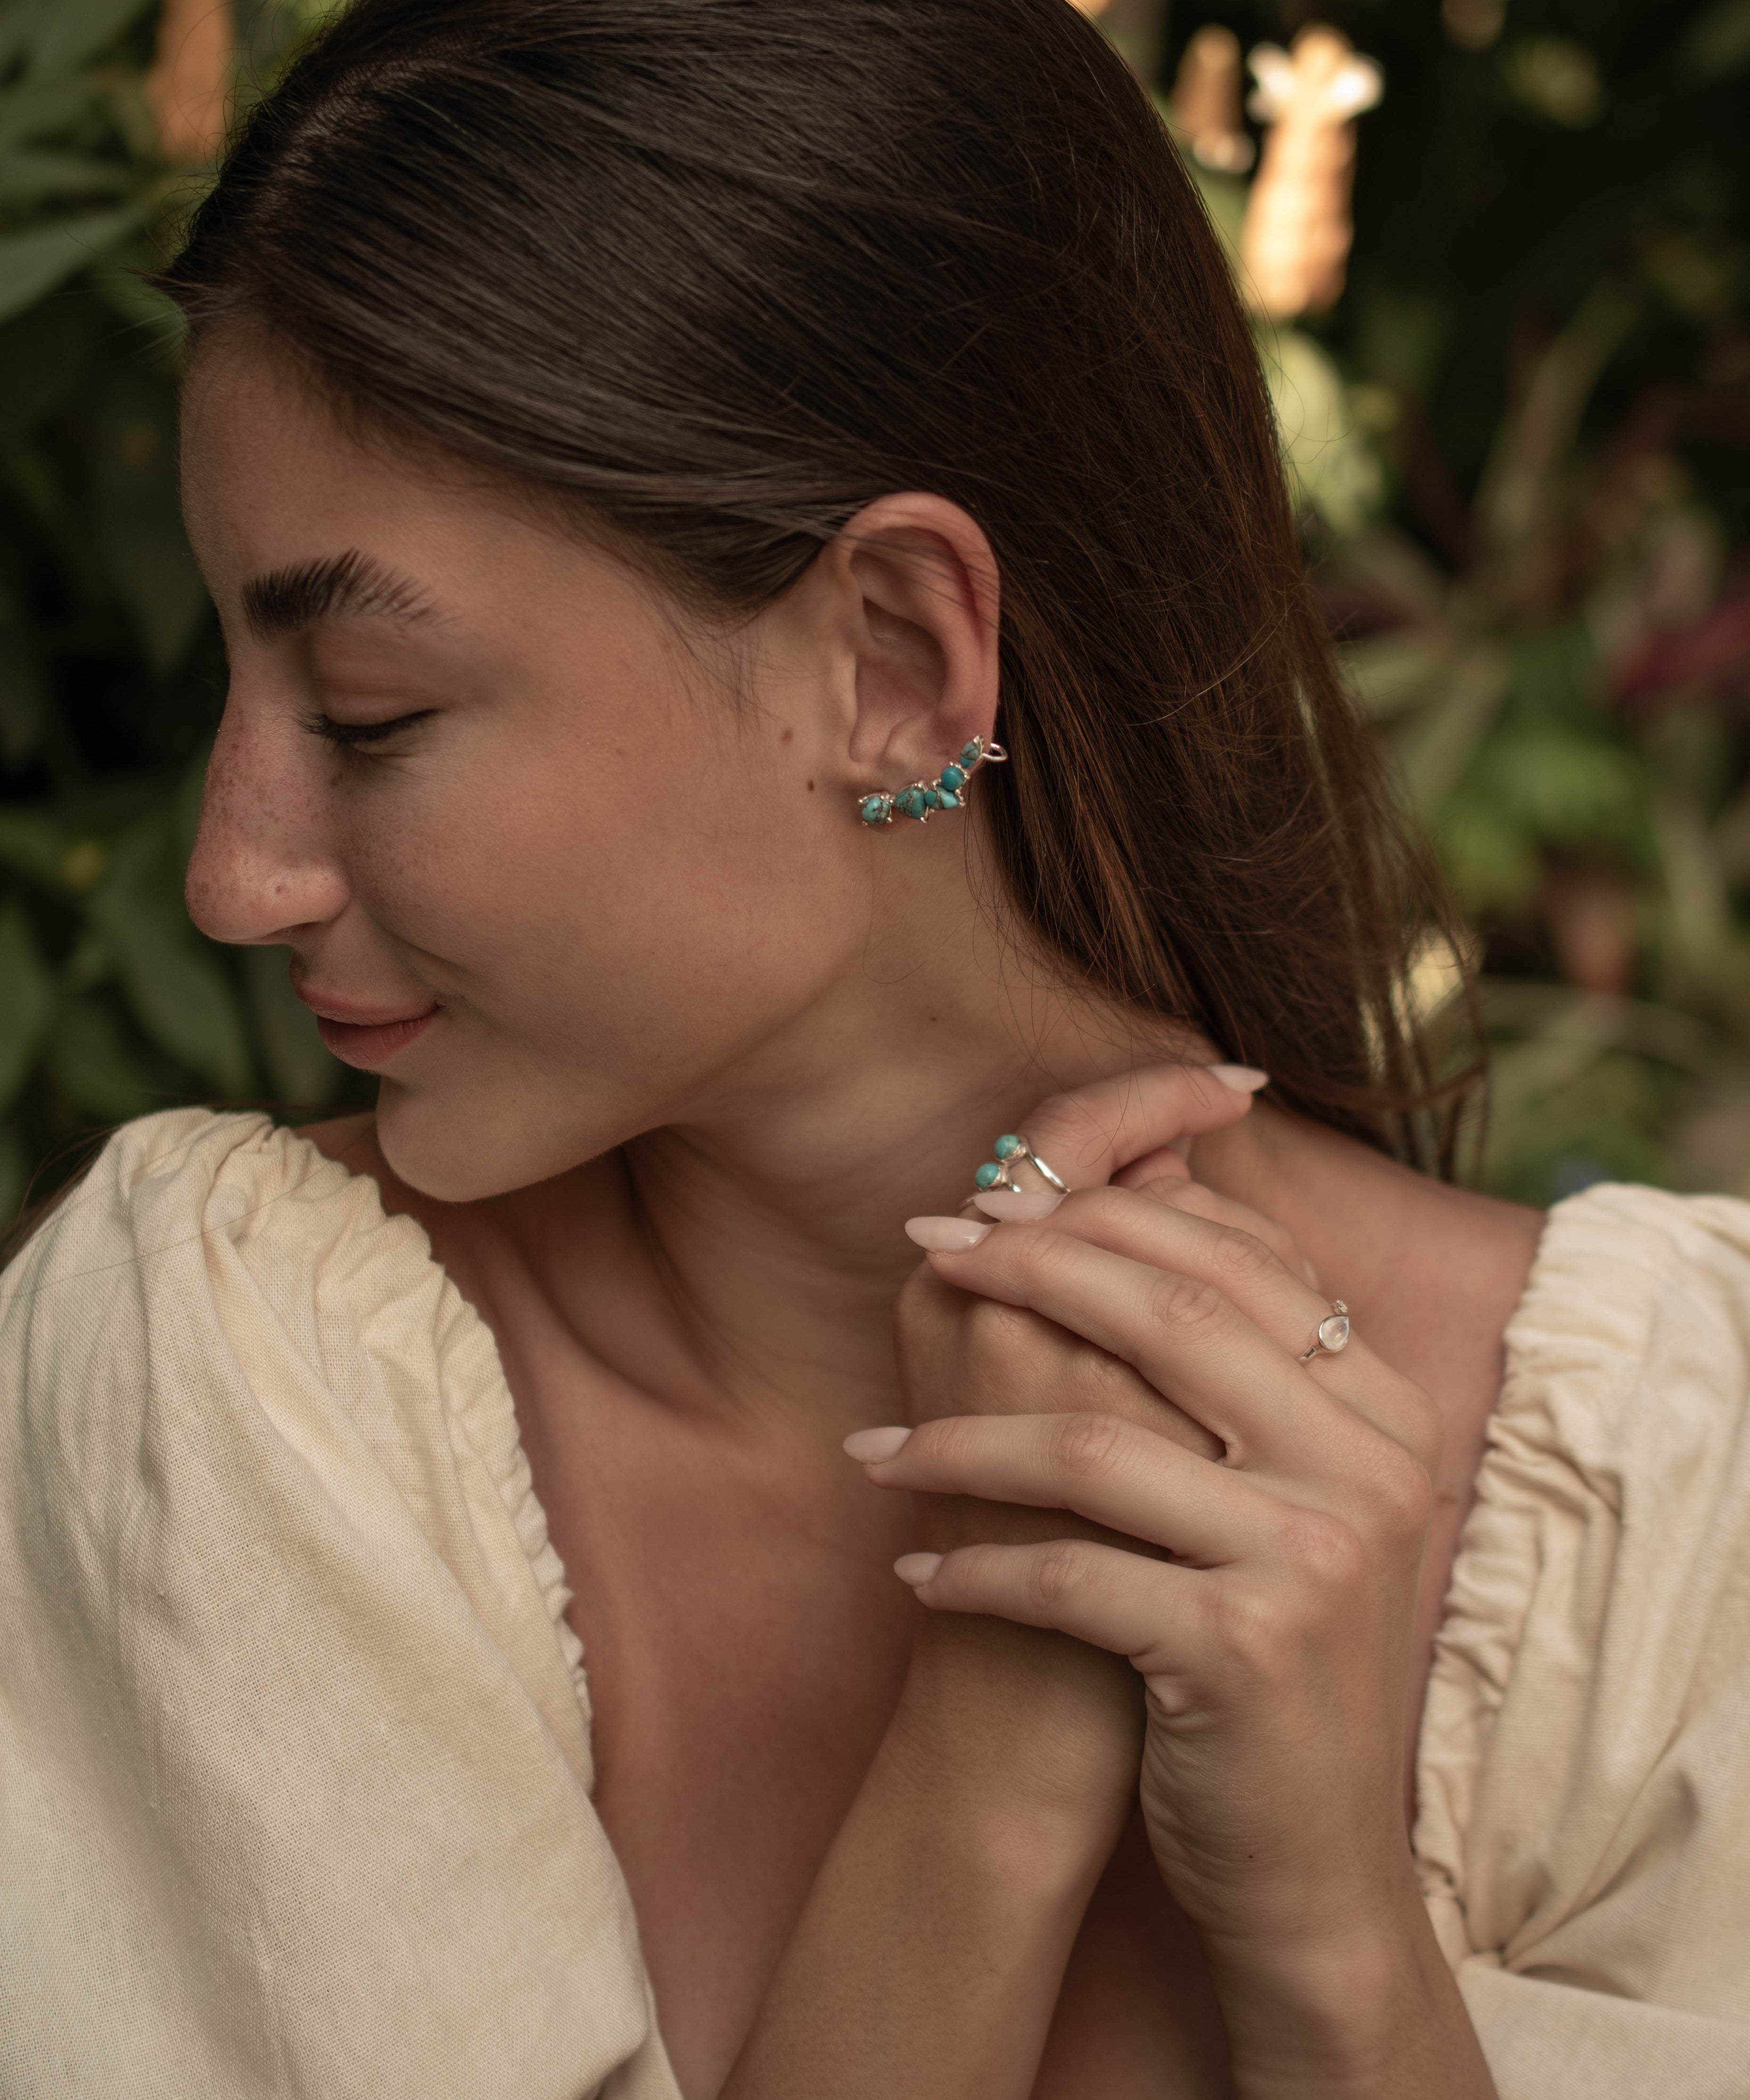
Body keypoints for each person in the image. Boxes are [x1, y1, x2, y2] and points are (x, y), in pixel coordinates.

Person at [2, 3, 1747, 2095]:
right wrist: (992, 1761)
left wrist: (1332, 1937)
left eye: (367, 710)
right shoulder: (230, 1382)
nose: (235, 873)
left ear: (898, 661)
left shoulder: (1674, 1504)